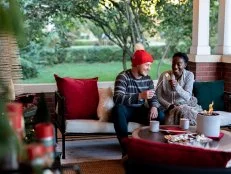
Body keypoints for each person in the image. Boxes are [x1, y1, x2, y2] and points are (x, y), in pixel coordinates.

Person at [112, 43, 163, 158]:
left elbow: (153, 96)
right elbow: (118, 98)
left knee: (160, 115)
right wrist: (139, 96)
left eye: (150, 65)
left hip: (140, 110)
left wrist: (154, 106)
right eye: (147, 65)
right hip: (126, 110)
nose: (149, 68)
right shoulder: (123, 77)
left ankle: (153, 148)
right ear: (138, 64)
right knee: (118, 109)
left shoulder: (147, 79)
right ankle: (126, 150)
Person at [156, 52, 202, 125]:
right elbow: (158, 95)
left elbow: (188, 96)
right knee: (161, 116)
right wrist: (168, 105)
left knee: (187, 114)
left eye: (179, 64)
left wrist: (177, 87)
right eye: (173, 63)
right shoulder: (165, 75)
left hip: (183, 106)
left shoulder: (189, 75)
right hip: (166, 107)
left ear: (185, 65)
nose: (175, 66)